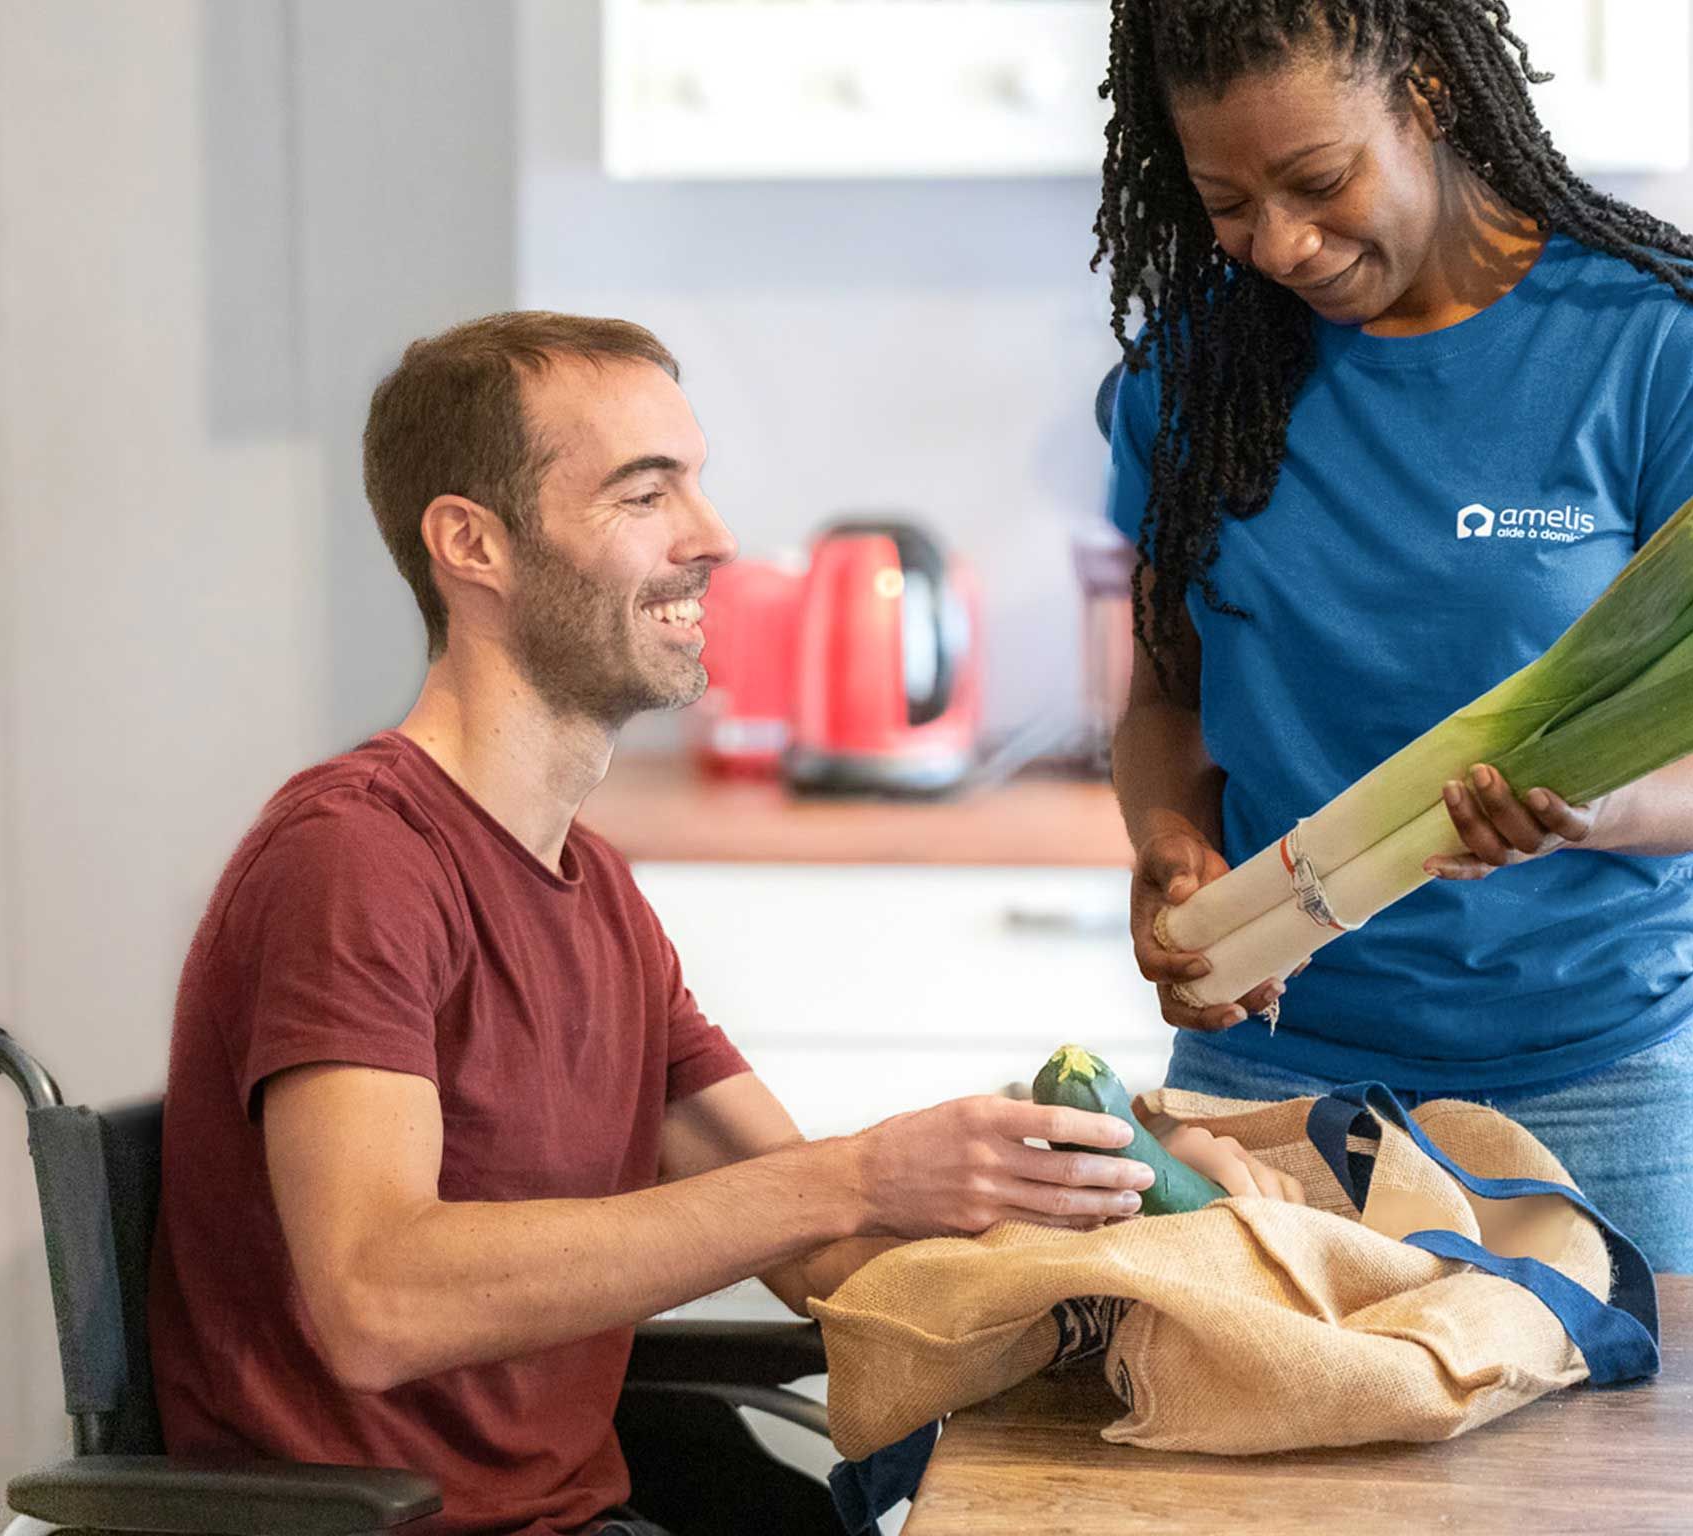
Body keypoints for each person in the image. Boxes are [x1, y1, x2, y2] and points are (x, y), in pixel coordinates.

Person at [147, 312, 1155, 1536]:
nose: (714, 537)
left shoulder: (599, 893)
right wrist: (854, 1176)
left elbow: (817, 1252)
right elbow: (379, 1301)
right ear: (474, 543)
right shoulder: (354, 859)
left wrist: (1078, 1229)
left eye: (697, 482)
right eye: (645, 493)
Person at [1100, 0, 1693, 1274]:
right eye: (1225, 201)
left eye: (1318, 181)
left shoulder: (1663, 352)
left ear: (1426, 89)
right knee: (1253, 1466)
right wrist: (1166, 843)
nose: (1281, 244)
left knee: (1605, 1475)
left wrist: (1595, 803)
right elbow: (1164, 701)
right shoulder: (1192, 380)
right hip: (1273, 1065)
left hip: (1609, 1081)